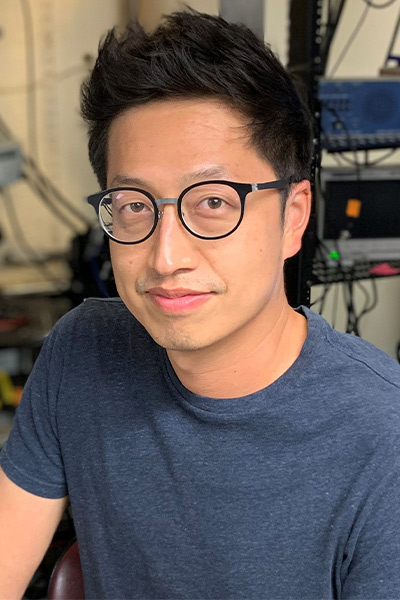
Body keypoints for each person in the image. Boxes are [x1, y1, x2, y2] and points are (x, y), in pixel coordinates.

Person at [1, 9, 400, 600]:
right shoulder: (82, 352)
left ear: (294, 217)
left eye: (213, 202)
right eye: (135, 205)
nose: (165, 257)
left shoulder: (382, 436)